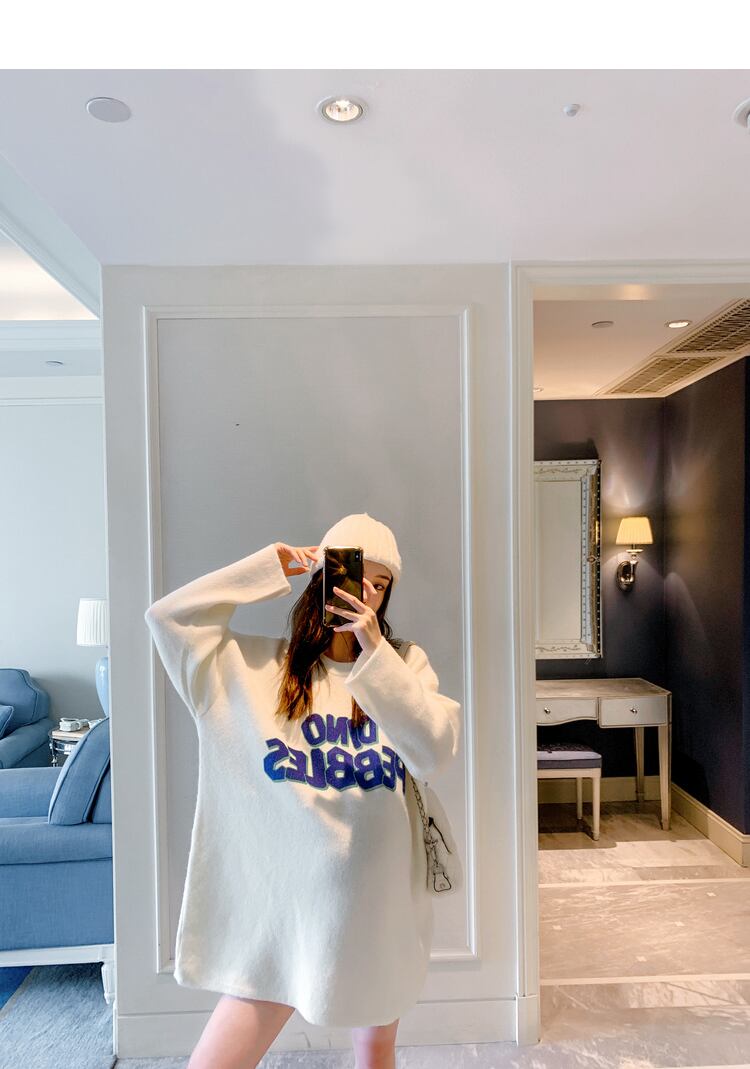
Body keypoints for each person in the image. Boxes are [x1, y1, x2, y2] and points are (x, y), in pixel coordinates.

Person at [143, 512, 462, 1069]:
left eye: (381, 583)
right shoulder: (249, 668)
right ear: (323, 578)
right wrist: (272, 566)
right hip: (284, 908)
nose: (367, 592)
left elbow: (434, 751)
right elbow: (168, 618)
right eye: (352, 573)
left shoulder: (403, 665)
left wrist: (374, 652)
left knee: (376, 1048)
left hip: (378, 900)